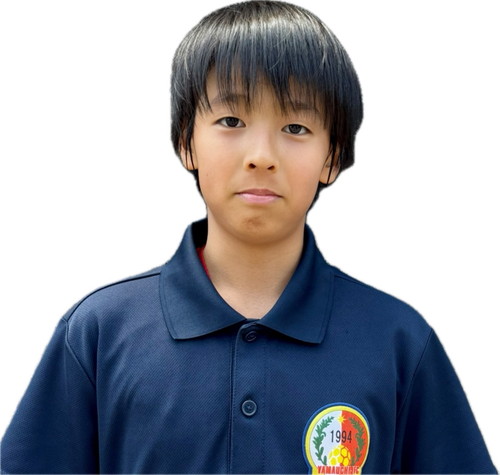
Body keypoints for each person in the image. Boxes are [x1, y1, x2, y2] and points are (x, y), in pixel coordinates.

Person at [1, 1, 496, 473]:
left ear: (332, 156)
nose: (261, 155)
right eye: (231, 121)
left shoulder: (397, 341)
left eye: (295, 127)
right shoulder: (100, 333)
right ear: (186, 142)